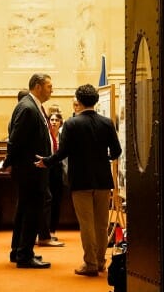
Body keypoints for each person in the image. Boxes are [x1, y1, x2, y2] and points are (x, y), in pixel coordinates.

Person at [37, 83, 122, 276]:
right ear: (96, 100)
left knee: (87, 223)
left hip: (81, 180)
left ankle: (90, 263)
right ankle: (101, 261)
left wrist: (46, 162)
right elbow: (116, 151)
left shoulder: (72, 124)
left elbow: (63, 152)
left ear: (79, 101)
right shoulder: (107, 122)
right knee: (101, 224)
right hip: (102, 179)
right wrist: (104, 159)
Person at [5, 73, 56, 269]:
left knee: (24, 211)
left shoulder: (31, 105)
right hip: (31, 170)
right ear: (37, 86)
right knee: (32, 212)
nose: (52, 89)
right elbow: (16, 140)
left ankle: (18, 250)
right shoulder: (28, 107)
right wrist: (10, 163)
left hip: (30, 169)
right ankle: (25, 255)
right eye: (49, 86)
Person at [40, 107, 67, 244]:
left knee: (56, 200)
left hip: (58, 170)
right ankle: (44, 230)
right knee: (46, 200)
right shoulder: (46, 135)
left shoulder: (63, 136)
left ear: (61, 122)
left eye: (57, 120)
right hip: (47, 168)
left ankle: (52, 230)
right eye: (52, 120)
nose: (54, 122)